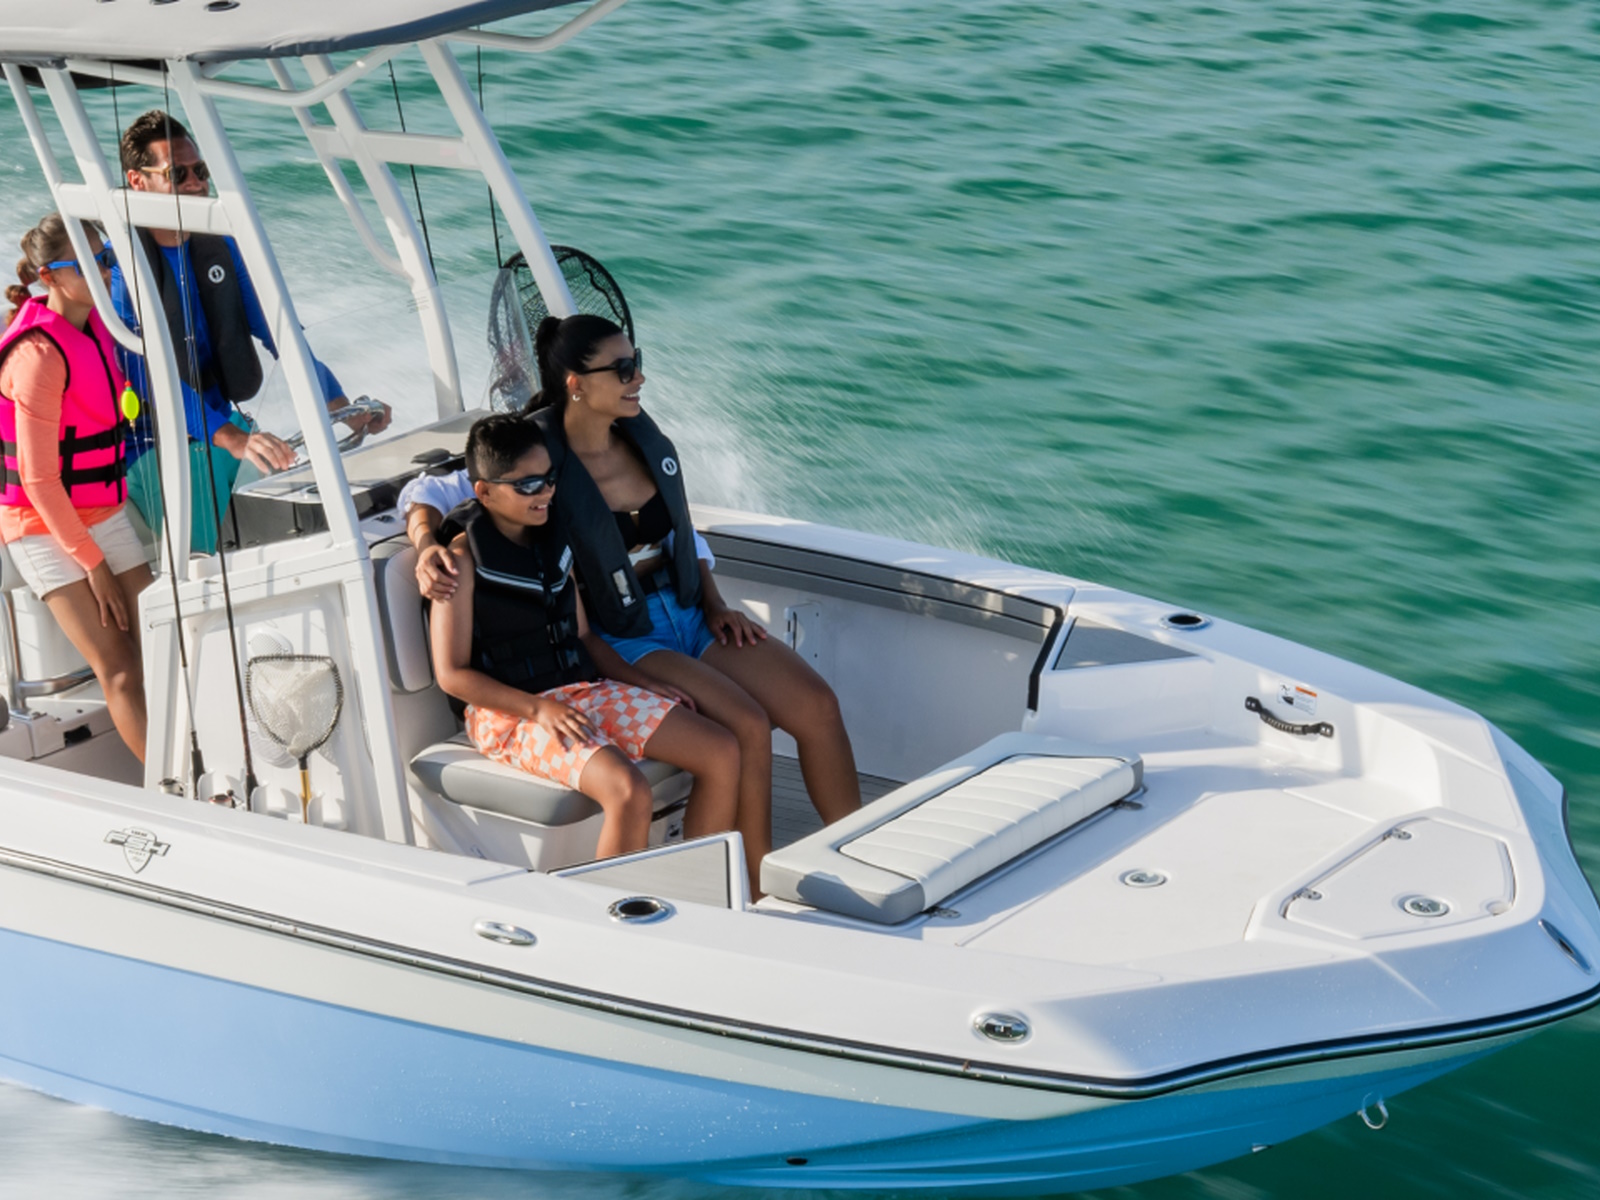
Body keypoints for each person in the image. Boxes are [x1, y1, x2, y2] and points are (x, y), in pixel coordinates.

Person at [403, 315, 861, 884]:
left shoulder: (640, 438)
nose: (637, 377)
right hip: (626, 630)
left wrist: (716, 604)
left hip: (690, 610)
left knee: (817, 705)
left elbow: (681, 534)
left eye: (636, 362)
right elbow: (427, 490)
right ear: (576, 383)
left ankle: (853, 865)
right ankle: (754, 886)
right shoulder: (534, 454)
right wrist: (426, 545)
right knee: (748, 724)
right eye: (622, 369)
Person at [428, 413, 739, 861]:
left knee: (721, 750)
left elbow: (585, 636)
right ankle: (613, 906)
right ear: (485, 492)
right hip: (508, 714)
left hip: (580, 691)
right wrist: (539, 709)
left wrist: (644, 683)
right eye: (528, 485)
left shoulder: (552, 538)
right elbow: (452, 674)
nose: (545, 492)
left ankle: (692, 890)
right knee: (627, 789)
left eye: (549, 479)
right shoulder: (460, 562)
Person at [112, 109, 391, 552]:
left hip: (222, 430)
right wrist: (234, 439)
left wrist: (340, 405)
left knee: (311, 510)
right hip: (150, 447)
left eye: (201, 171)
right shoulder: (121, 269)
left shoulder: (221, 246)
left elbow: (281, 336)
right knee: (210, 556)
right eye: (178, 173)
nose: (196, 183)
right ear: (137, 181)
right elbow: (145, 374)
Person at [0, 215, 154, 761]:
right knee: (120, 667)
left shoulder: (100, 329)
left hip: (101, 509)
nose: (105, 271)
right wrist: (95, 567)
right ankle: (175, 793)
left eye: (105, 257)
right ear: (50, 277)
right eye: (88, 263)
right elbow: (40, 481)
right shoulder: (37, 357)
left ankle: (197, 762)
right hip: (40, 524)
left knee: (164, 642)